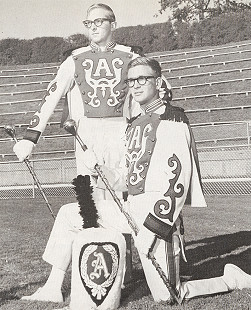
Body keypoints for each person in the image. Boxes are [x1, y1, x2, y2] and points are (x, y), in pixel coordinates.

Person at [90, 56, 251, 303]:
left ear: (158, 81)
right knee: (77, 215)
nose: (136, 84)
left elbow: (178, 181)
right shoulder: (133, 125)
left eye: (143, 78)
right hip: (129, 211)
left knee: (169, 296)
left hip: (156, 218)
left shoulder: (173, 119)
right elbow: (130, 178)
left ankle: (231, 279)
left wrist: (153, 228)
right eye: (131, 80)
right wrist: (107, 174)